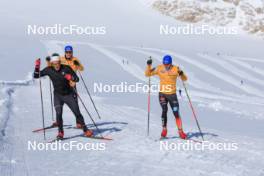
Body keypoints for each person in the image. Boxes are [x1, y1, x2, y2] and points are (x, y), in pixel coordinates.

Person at [34, 55, 93, 139]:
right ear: (52, 64)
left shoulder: (66, 68)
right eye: (54, 64)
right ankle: (60, 132)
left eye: (58, 63)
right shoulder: (49, 70)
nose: (56, 65)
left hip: (68, 94)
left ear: (60, 62)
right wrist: (37, 67)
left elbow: (77, 79)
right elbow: (36, 75)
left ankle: (85, 130)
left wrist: (71, 77)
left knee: (77, 113)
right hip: (58, 96)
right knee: (58, 114)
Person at [145, 55, 188, 139]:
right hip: (162, 94)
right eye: (164, 64)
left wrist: (181, 74)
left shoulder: (176, 69)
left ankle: (180, 131)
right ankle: (164, 130)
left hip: (172, 95)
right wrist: (149, 65)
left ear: (171, 63)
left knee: (176, 113)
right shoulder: (159, 68)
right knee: (164, 110)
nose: (166, 65)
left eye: (167, 64)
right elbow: (148, 74)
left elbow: (184, 79)